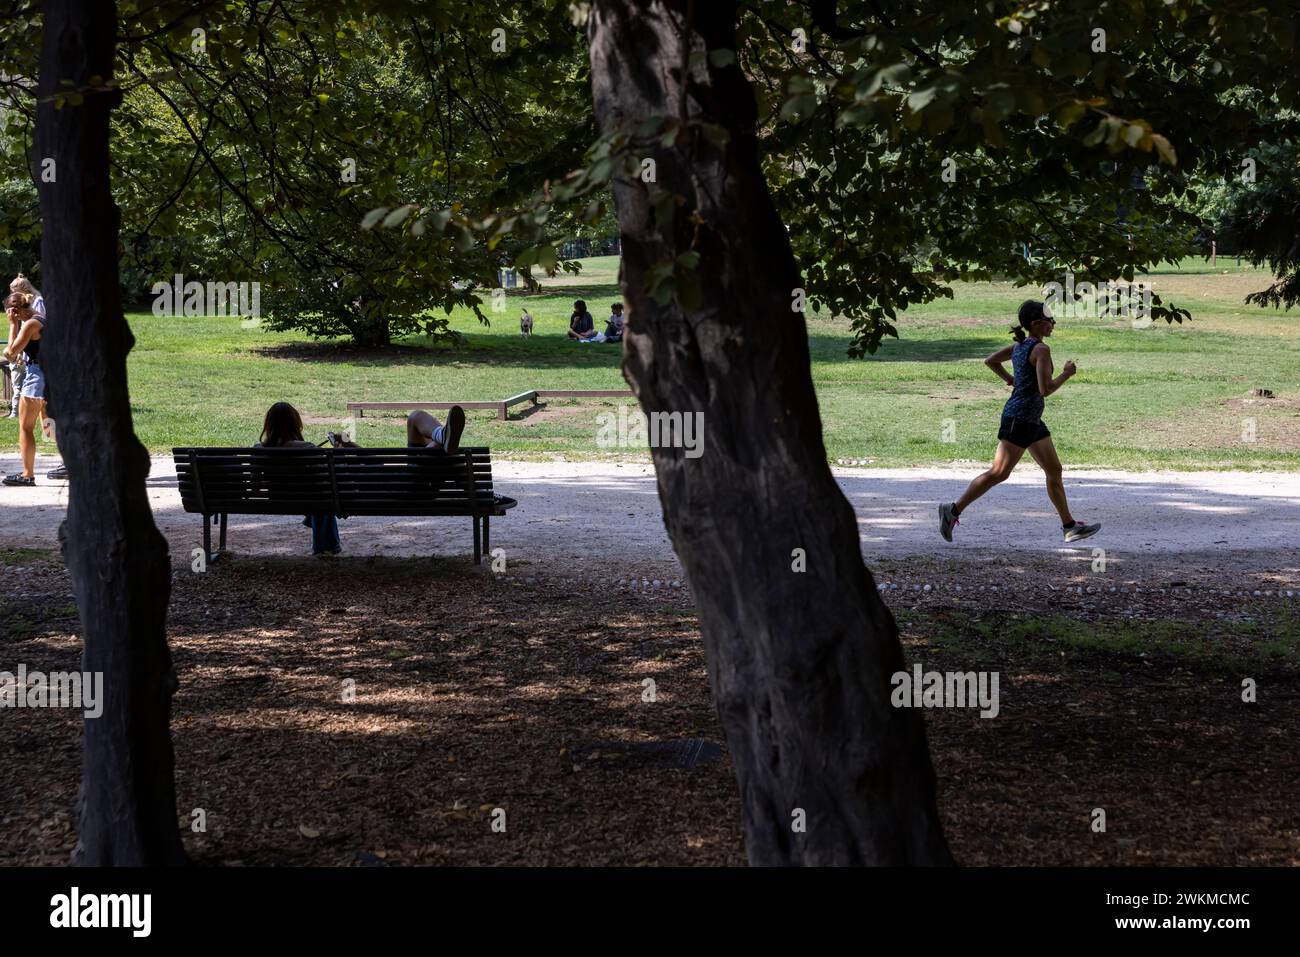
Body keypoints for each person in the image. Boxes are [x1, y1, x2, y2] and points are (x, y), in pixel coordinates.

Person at [938, 300, 1100, 543]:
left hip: (1032, 419)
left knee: (1054, 470)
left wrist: (1011, 379)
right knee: (999, 473)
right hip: (1019, 419)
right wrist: (1066, 373)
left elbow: (991, 360)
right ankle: (953, 510)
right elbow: (1046, 389)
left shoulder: (1021, 346)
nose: (1053, 324)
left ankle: (1069, 526)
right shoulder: (1041, 350)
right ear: (1036, 324)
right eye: (1050, 320)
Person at [255, 402, 342, 556]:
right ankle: (327, 546)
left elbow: (255, 484)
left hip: (275, 498)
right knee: (324, 497)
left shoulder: (258, 450)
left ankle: (318, 529)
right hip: (307, 499)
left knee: (320, 497)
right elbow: (325, 477)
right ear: (296, 423)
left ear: (268, 424)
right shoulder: (306, 448)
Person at [2, 291, 44, 486]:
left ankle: (27, 475)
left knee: (26, 427)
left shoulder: (30, 324)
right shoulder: (41, 318)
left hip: (38, 376)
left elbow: (10, 353)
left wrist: (12, 325)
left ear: (15, 311)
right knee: (51, 423)